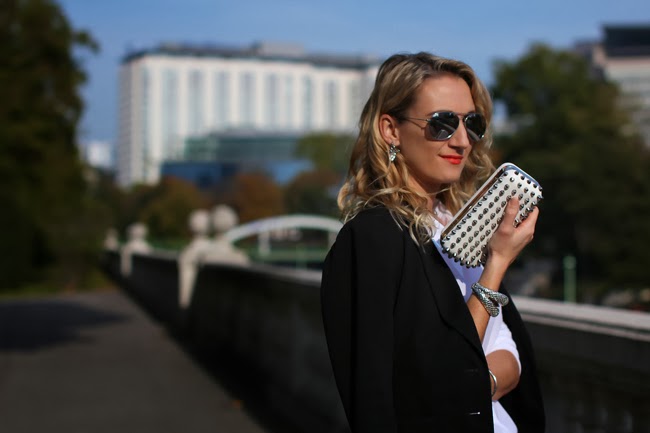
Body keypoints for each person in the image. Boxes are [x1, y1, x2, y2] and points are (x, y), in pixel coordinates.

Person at [320, 52, 545, 433]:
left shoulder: (455, 227)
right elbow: (434, 378)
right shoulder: (373, 238)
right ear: (391, 130)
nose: (462, 141)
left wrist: (477, 383)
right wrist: (496, 265)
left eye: (472, 123)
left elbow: (512, 358)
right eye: (442, 123)